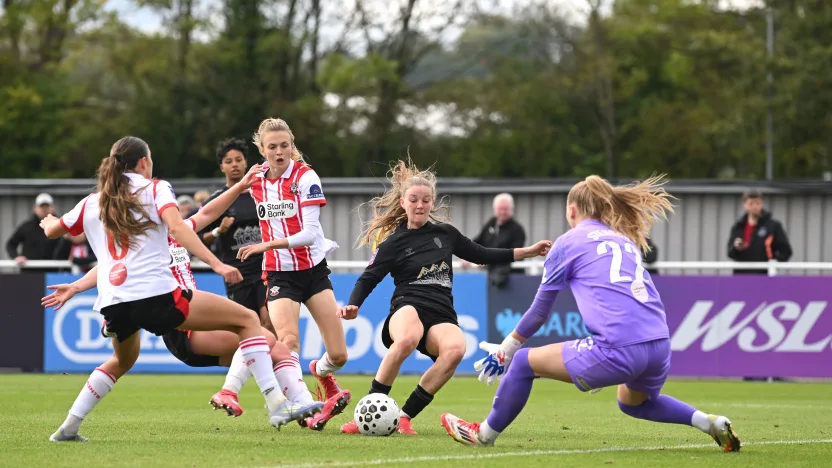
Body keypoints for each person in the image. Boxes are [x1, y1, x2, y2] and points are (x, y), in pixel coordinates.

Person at [39, 136, 323, 442]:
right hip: (159, 299)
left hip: (114, 303)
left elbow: (56, 231)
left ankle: (68, 427)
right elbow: (178, 226)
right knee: (248, 321)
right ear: (145, 162)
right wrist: (217, 264)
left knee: (121, 361)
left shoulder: (95, 201)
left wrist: (50, 224)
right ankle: (275, 403)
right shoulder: (156, 190)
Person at [440, 174, 742, 453]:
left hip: (619, 348)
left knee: (521, 362)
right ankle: (708, 422)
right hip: (659, 344)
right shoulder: (624, 240)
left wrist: (507, 348)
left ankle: (483, 435)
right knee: (633, 403)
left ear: (572, 210)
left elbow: (539, 313)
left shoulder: (568, 242)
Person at [336, 159, 551, 435]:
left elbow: (482, 254)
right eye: (414, 199)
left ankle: (404, 417)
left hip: (441, 312)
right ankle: (364, 416)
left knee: (455, 350)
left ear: (432, 203)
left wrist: (529, 251)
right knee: (406, 339)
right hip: (408, 306)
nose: (420, 205)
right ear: (403, 202)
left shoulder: (445, 234)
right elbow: (369, 276)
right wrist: (354, 303)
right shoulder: (393, 243)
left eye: (426, 200)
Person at [235, 118, 350, 431]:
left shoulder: (305, 177)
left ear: (292, 145)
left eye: (285, 145)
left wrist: (264, 244)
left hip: (312, 271)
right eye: (272, 147)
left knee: (339, 355)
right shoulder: (255, 178)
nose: (279, 151)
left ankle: (321, 372)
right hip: (279, 274)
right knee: (287, 340)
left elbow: (310, 233)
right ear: (262, 150)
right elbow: (225, 201)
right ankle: (303, 406)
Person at [200, 139, 271, 332]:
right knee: (249, 326)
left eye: (238, 160)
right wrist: (218, 231)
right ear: (222, 166)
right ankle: (254, 361)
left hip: (266, 269)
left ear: (246, 163)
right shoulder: (217, 200)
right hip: (237, 273)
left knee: (269, 320)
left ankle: (276, 361)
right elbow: (197, 239)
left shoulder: (263, 193)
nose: (235, 165)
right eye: (229, 161)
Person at [464, 193, 527, 288]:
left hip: (511, 279)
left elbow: (515, 254)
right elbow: (477, 242)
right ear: (495, 209)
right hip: (490, 278)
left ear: (511, 210)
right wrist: (466, 255)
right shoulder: (491, 223)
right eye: (500, 209)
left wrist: (486, 259)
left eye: (505, 209)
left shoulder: (517, 230)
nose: (502, 212)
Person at [727, 189, 792, 275]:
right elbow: (730, 253)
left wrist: (771, 261)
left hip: (764, 275)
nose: (754, 207)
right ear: (745, 205)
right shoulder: (738, 226)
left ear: (762, 204)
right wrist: (736, 247)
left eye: (757, 203)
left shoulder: (773, 226)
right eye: (751, 203)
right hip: (741, 275)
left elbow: (786, 251)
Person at [5, 193, 60, 264]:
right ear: (35, 209)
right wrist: (16, 257)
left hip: (54, 271)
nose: (44, 209)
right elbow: (11, 244)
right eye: (41, 207)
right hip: (30, 271)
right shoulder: (26, 226)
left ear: (52, 208)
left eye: (47, 206)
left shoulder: (60, 226)